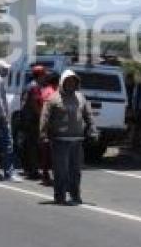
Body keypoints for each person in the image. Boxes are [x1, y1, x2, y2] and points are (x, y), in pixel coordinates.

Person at [40, 70, 97, 205]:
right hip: (60, 141)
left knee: (76, 171)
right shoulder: (53, 98)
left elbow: (88, 116)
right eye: (68, 81)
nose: (71, 83)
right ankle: (60, 196)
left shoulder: (81, 98)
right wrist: (43, 135)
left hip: (77, 140)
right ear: (62, 82)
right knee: (61, 171)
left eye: (73, 81)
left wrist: (93, 130)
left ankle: (75, 195)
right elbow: (45, 118)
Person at [20, 65, 46, 179]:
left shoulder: (28, 86)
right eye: (44, 74)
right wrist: (42, 116)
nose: (45, 77)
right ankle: (33, 170)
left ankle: (28, 168)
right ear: (40, 75)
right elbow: (35, 104)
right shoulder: (35, 87)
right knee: (33, 145)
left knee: (28, 144)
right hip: (33, 119)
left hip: (26, 118)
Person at [38, 72, 60, 186]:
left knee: (45, 152)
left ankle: (45, 175)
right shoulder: (52, 92)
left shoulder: (44, 90)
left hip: (43, 122)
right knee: (50, 153)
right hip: (50, 125)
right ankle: (47, 176)